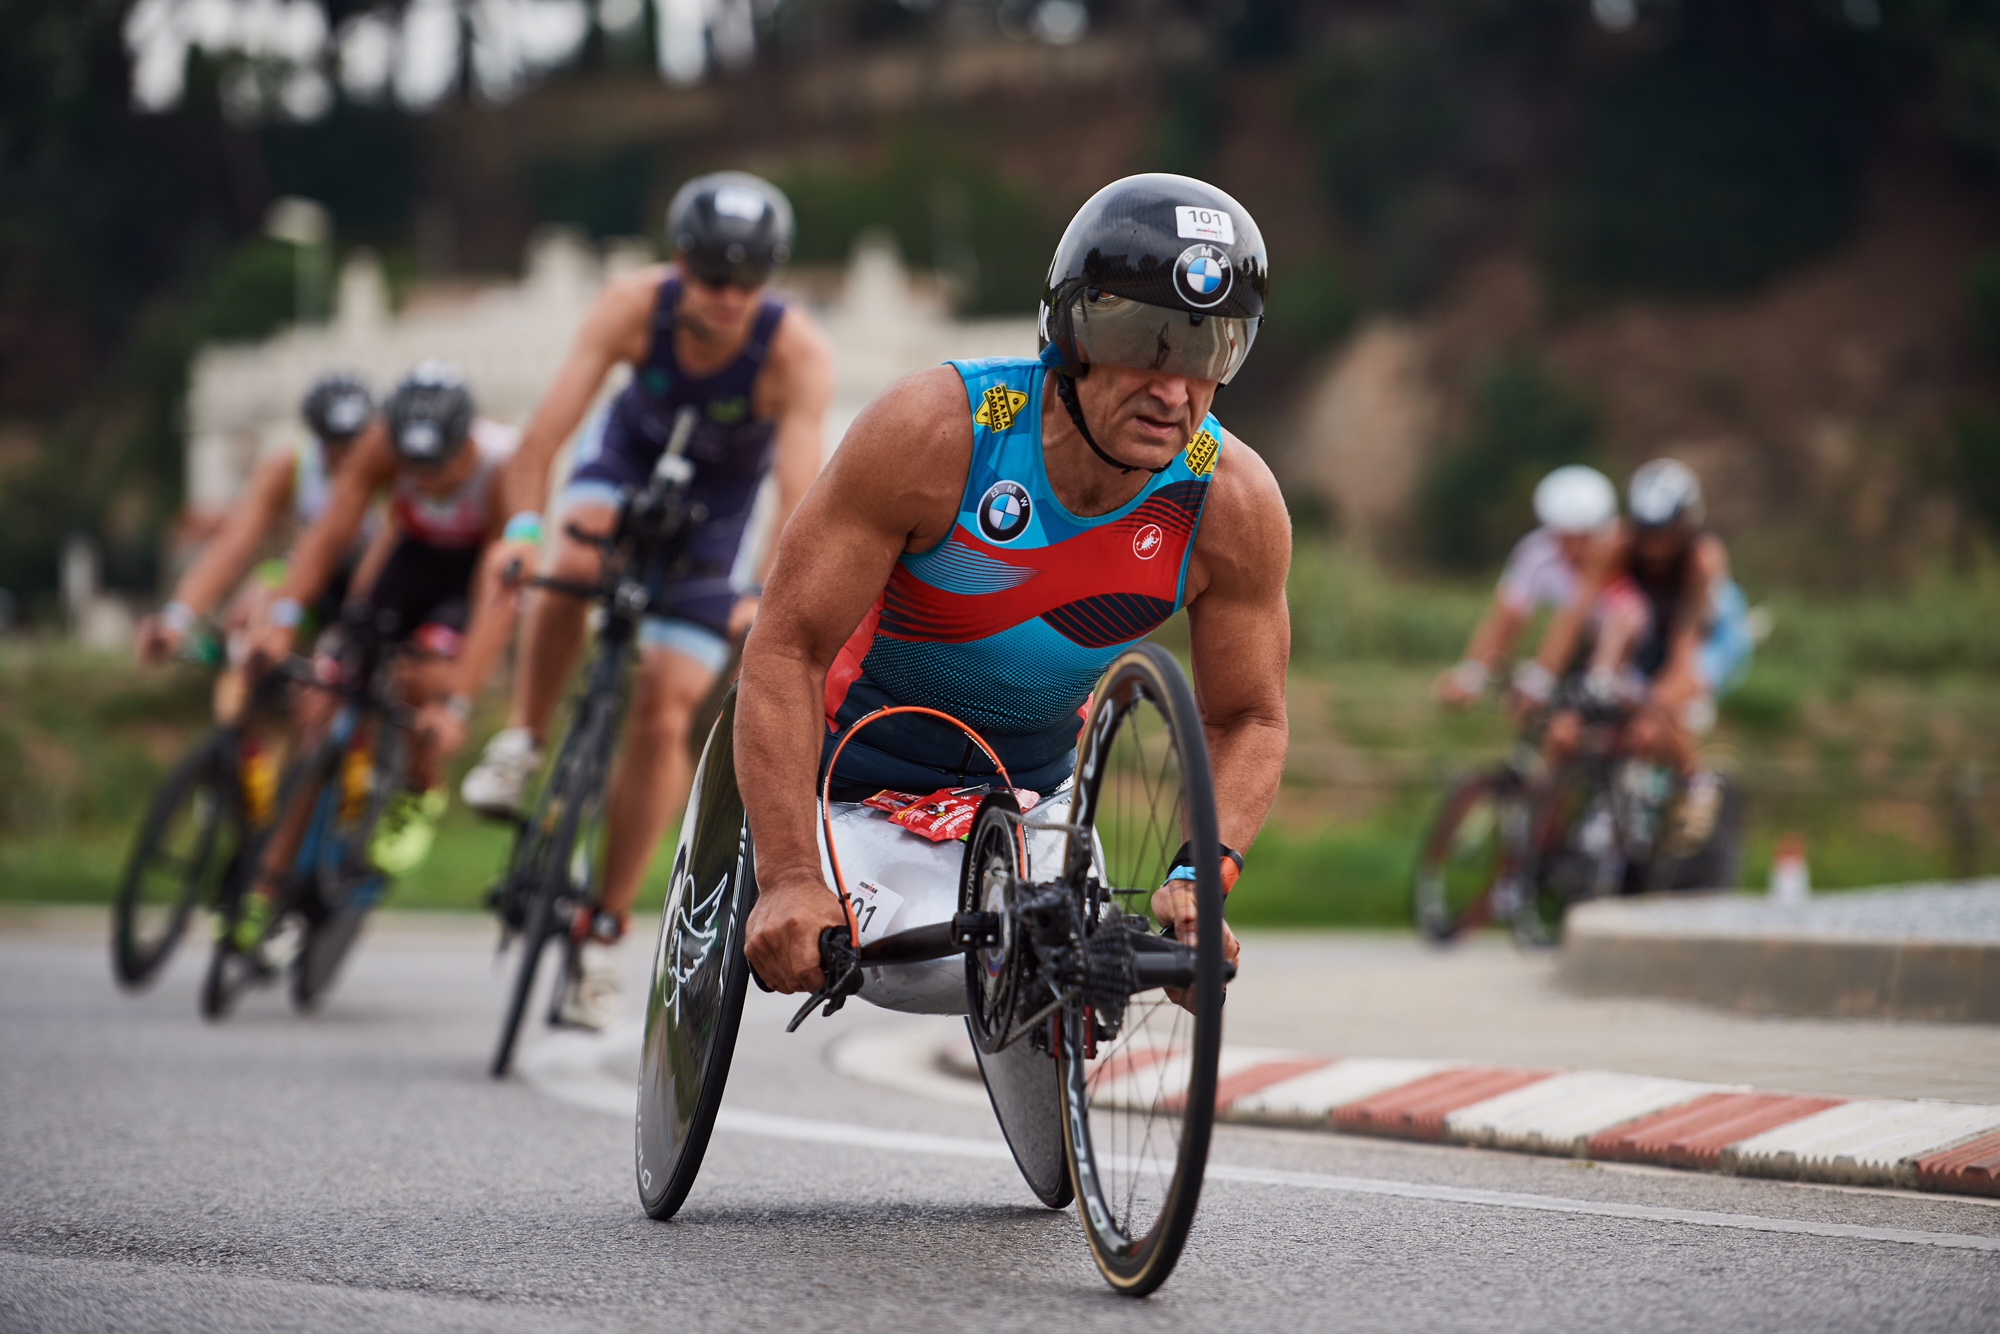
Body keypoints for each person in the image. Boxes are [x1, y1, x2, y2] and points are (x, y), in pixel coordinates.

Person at [735, 173, 1292, 1005]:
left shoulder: (1232, 503)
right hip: (856, 778)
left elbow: (1251, 716)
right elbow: (787, 647)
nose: (1174, 390)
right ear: (1071, 329)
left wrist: (1197, 876)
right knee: (937, 970)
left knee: (1061, 971)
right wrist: (785, 874)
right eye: (1146, 342)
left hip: (1029, 791)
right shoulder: (937, 434)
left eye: (1209, 351)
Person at [458, 172, 832, 1029]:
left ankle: (602, 931)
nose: (729, 297)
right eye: (711, 278)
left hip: (714, 524)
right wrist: (521, 533)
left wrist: (765, 596)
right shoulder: (632, 307)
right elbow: (544, 437)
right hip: (618, 473)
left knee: (664, 711)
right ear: (678, 265)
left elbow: (798, 496)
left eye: (749, 281)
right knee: (572, 551)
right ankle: (521, 740)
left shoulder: (795, 352)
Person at [236, 362, 522, 948]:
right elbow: (328, 536)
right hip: (411, 558)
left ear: (466, 441)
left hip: (472, 573)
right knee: (323, 708)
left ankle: (420, 787)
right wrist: (286, 620)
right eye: (414, 468)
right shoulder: (379, 446)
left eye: (439, 467)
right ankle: (265, 888)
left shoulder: (502, 467)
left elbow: (497, 598)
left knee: (423, 676)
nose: (428, 480)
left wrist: (458, 703)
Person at [1526, 458, 1752, 845]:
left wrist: (1657, 704)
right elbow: (1573, 618)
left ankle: (1695, 781)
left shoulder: (1702, 560)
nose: (1655, 549)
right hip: (1653, 629)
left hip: (1711, 636)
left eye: (1666, 535)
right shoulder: (1615, 545)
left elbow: (1687, 644)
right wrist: (1542, 675)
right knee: (1603, 696)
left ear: (1686, 526)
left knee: (1667, 705)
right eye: (1647, 533)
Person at [139, 372, 383, 677]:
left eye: (357, 440)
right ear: (317, 436)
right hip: (311, 573)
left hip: (373, 577)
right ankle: (243, 713)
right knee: (247, 614)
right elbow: (234, 544)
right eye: (337, 442)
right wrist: (177, 620)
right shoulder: (288, 468)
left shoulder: (391, 465)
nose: (348, 453)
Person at [1433, 464, 1619, 707]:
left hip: (1619, 654)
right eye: (1564, 537)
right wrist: (1471, 675)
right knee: (1523, 692)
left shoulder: (1623, 551)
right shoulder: (1536, 552)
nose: (1574, 548)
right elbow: (1508, 617)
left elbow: (1576, 618)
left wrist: (1545, 672)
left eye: (1584, 537)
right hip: (1576, 656)